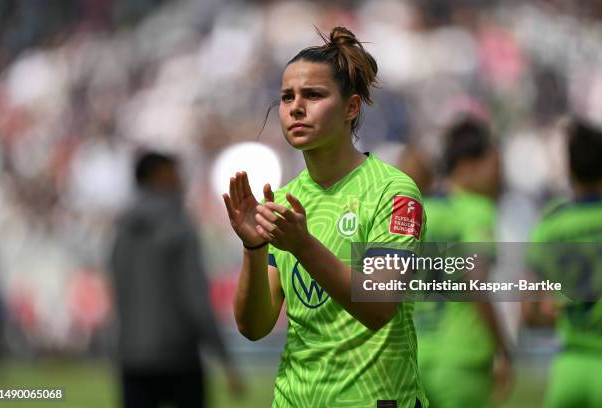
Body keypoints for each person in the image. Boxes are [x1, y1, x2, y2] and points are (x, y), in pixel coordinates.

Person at [222, 26, 428, 408]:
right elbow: (254, 327)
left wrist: (302, 245)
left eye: (313, 95)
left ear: (351, 108)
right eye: (287, 97)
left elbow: (378, 307)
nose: (295, 107)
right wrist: (253, 247)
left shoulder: (393, 193)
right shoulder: (282, 201)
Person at [110, 151, 242, 408]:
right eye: (175, 173)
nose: (182, 180)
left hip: (132, 355)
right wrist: (224, 358)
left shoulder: (122, 228)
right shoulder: (178, 224)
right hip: (178, 356)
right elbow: (195, 298)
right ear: (159, 176)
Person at [414, 117, 512, 408]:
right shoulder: (476, 210)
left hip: (414, 358)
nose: (499, 178)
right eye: (494, 167)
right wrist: (503, 348)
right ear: (469, 165)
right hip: (462, 360)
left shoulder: (417, 209)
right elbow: (475, 278)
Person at [523, 118, 602, 407]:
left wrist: (568, 314)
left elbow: (530, 313)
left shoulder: (551, 224)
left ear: (570, 170)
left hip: (568, 372)